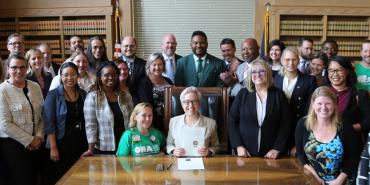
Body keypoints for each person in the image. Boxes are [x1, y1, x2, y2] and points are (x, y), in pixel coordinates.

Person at [295, 86, 360, 184]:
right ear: (313, 104)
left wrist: (339, 180)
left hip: (341, 181)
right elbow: (300, 155)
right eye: (319, 103)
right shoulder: (303, 124)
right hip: (312, 179)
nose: (323, 108)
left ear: (334, 105)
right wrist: (315, 177)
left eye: (328, 103)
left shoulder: (345, 126)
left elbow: (353, 158)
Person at [228, 60, 291, 158]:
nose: (258, 74)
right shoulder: (242, 94)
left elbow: (286, 123)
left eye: (262, 71)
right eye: (254, 72)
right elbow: (232, 120)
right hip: (245, 153)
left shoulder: (278, 95)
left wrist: (277, 148)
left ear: (268, 73)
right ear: (250, 75)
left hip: (271, 154)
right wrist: (238, 146)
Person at [0, 54, 44, 185]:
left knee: (38, 179)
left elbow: (43, 115)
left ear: (27, 68)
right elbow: (4, 123)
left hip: (37, 143)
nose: (19, 71)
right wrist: (29, 140)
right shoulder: (2, 90)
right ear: (8, 69)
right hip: (13, 146)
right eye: (14, 67)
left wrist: (39, 136)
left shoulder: (35, 86)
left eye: (22, 67)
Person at [43, 62, 87, 184]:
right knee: (64, 178)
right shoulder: (53, 95)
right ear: (60, 77)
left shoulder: (83, 93)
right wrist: (53, 147)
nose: (69, 78)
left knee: (81, 176)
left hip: (81, 141)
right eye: (66, 75)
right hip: (61, 143)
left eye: (73, 74)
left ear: (77, 76)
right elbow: (49, 123)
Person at [83, 63, 133, 155]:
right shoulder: (92, 97)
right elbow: (91, 125)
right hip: (104, 147)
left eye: (114, 75)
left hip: (125, 146)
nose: (111, 78)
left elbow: (132, 121)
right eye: (106, 75)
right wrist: (90, 149)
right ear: (100, 77)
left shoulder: (125, 95)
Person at [274, 47, 316, 155]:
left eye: (294, 59)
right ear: (282, 60)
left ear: (298, 60)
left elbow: (309, 112)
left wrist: (299, 143)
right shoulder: (274, 78)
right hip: (277, 129)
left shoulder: (309, 80)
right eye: (287, 60)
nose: (291, 63)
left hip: (298, 128)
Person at [326, 56, 370, 150]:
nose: (335, 74)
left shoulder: (360, 95)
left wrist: (351, 128)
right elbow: (307, 118)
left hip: (350, 145)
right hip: (323, 144)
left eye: (339, 70)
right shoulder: (320, 93)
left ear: (347, 71)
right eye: (331, 70)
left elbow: (368, 121)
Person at [166, 86, 221, 156]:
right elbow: (169, 145)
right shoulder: (173, 122)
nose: (191, 105)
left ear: (199, 103)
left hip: (203, 162)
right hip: (179, 162)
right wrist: (173, 151)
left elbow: (217, 147)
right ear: (182, 104)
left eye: (194, 101)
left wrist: (209, 151)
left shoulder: (211, 123)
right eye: (187, 102)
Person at [136, 53, 173, 132]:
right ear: (149, 66)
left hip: (170, 122)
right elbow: (145, 105)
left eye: (160, 65)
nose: (157, 67)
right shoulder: (143, 83)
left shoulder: (168, 81)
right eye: (154, 65)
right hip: (151, 123)